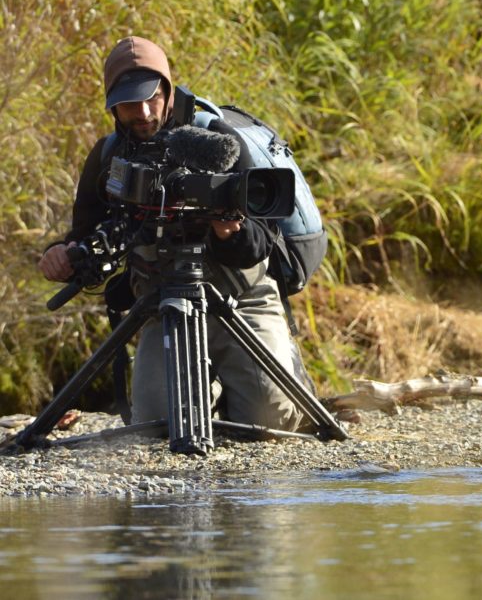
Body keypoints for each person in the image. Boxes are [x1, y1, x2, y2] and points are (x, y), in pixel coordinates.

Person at [37, 36, 304, 432]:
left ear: (168, 91)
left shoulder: (218, 141)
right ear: (112, 105)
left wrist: (229, 231)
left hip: (241, 298)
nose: (144, 113)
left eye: (152, 98)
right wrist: (61, 253)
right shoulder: (109, 156)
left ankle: (270, 376)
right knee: (157, 425)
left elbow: (261, 242)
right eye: (130, 103)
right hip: (164, 304)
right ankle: (208, 389)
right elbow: (85, 233)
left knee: (269, 421)